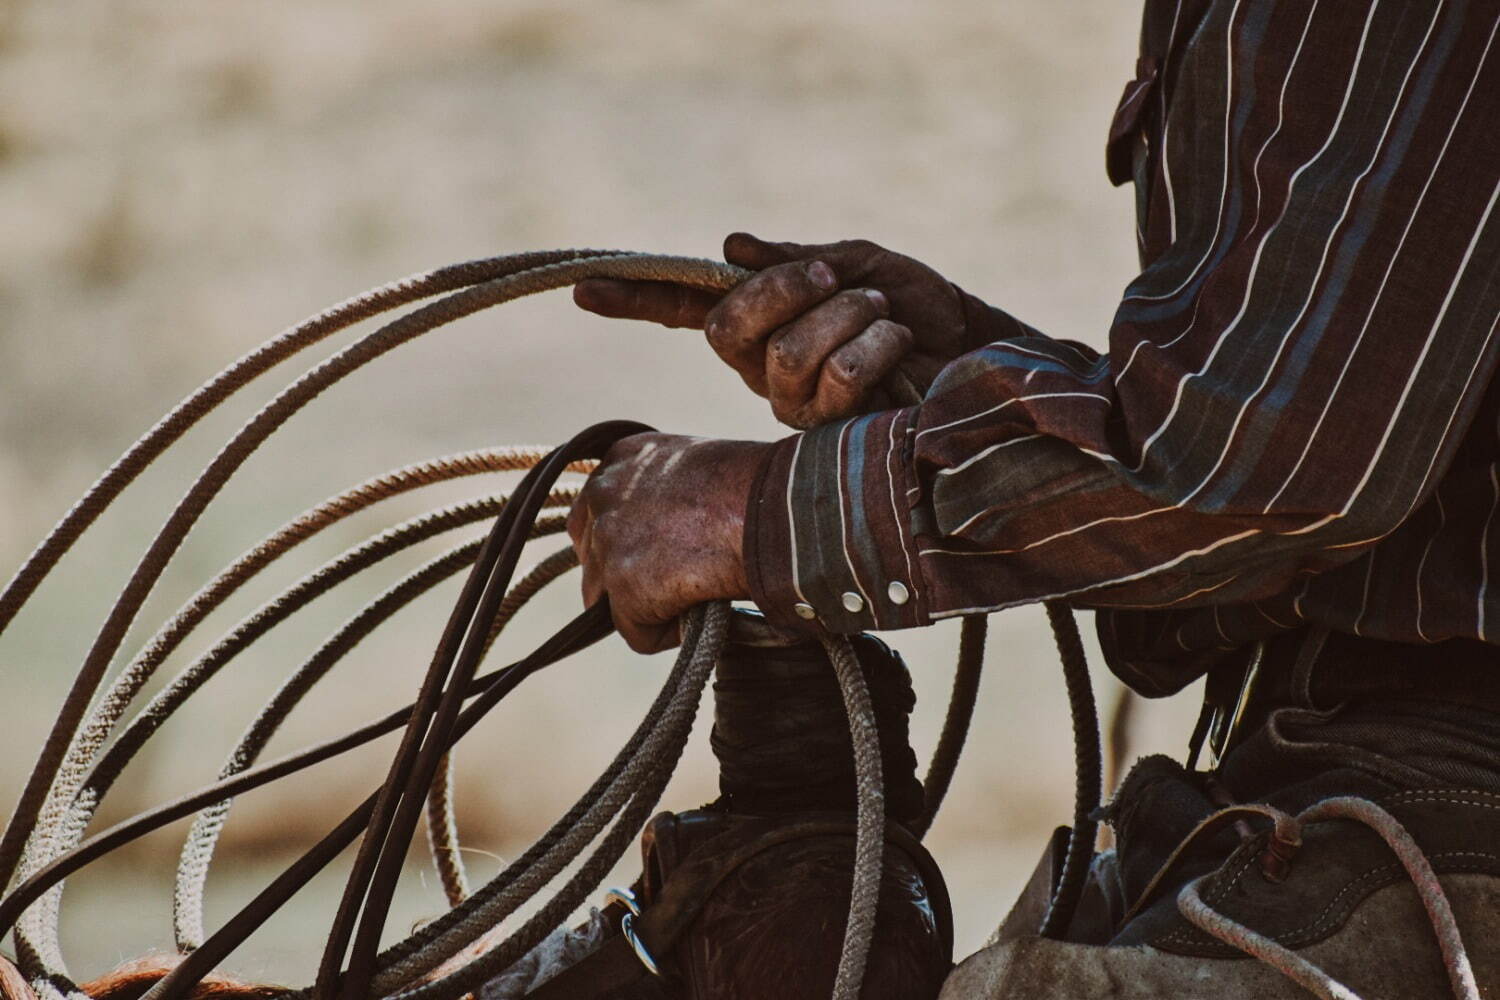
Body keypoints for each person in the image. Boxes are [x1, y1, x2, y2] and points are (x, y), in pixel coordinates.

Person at [566, 0, 1500, 995]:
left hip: (1441, 790)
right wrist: (962, 375)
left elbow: (1275, 470)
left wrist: (750, 513)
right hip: (1308, 775)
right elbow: (1277, 431)